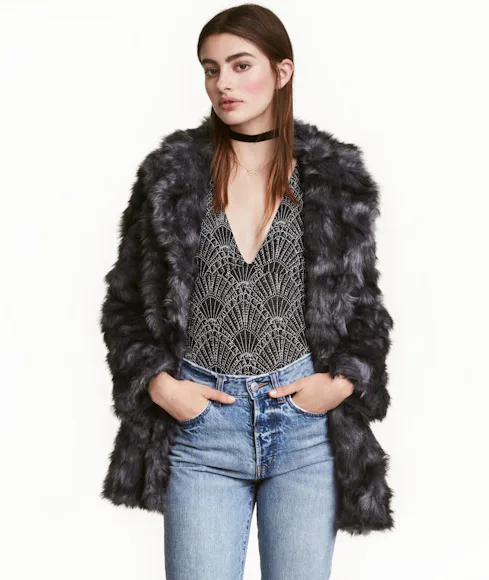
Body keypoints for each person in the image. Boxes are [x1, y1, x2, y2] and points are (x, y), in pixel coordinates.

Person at [100, 4, 394, 579]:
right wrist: (160, 385)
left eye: (240, 65)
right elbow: (125, 304)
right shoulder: (171, 176)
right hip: (203, 429)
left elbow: (364, 308)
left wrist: (340, 383)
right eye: (211, 69)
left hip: (304, 431)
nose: (223, 84)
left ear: (282, 71)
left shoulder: (335, 178)